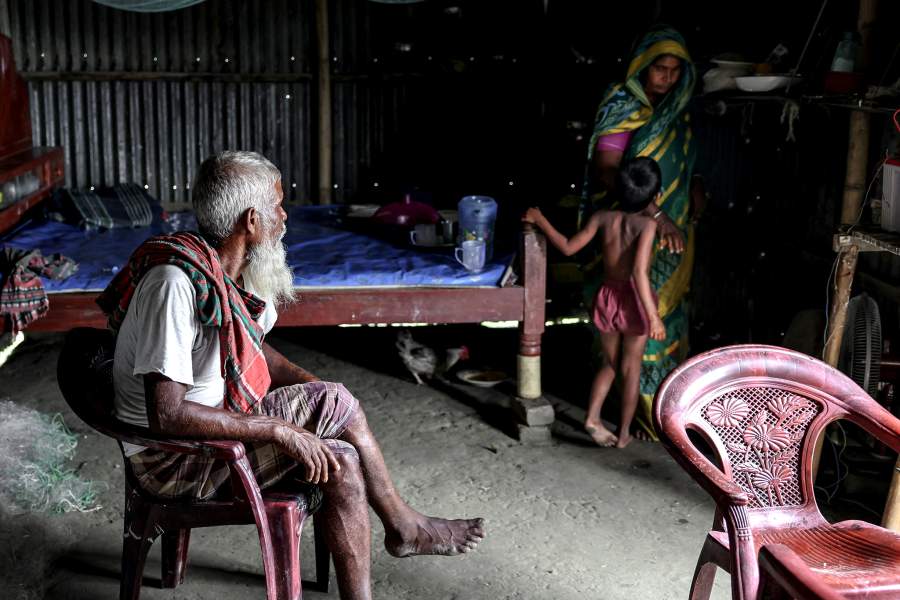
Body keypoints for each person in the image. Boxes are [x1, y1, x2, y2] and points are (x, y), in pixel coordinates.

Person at [98, 151, 485, 600]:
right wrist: (283, 429)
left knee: (340, 455)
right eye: (278, 206)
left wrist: (310, 389)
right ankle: (402, 525)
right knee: (335, 404)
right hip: (173, 459)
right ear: (251, 221)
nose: (285, 216)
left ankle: (381, 563)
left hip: (215, 427)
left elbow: (254, 348)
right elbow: (167, 414)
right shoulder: (175, 284)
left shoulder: (227, 273)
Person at [579, 26, 707, 441]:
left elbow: (685, 165)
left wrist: (692, 199)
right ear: (641, 67)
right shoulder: (622, 106)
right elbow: (605, 169)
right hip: (639, 229)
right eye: (659, 68)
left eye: (674, 70)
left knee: (667, 313)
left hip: (675, 230)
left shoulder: (679, 108)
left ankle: (666, 408)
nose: (666, 77)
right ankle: (639, 417)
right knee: (637, 327)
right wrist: (658, 213)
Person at [524, 157, 665, 448]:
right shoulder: (648, 225)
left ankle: (592, 418)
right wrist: (653, 317)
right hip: (636, 302)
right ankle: (624, 434)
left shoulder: (603, 217)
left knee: (610, 363)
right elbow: (639, 273)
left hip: (608, 296)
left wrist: (540, 220)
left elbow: (567, 246)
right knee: (630, 369)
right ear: (656, 196)